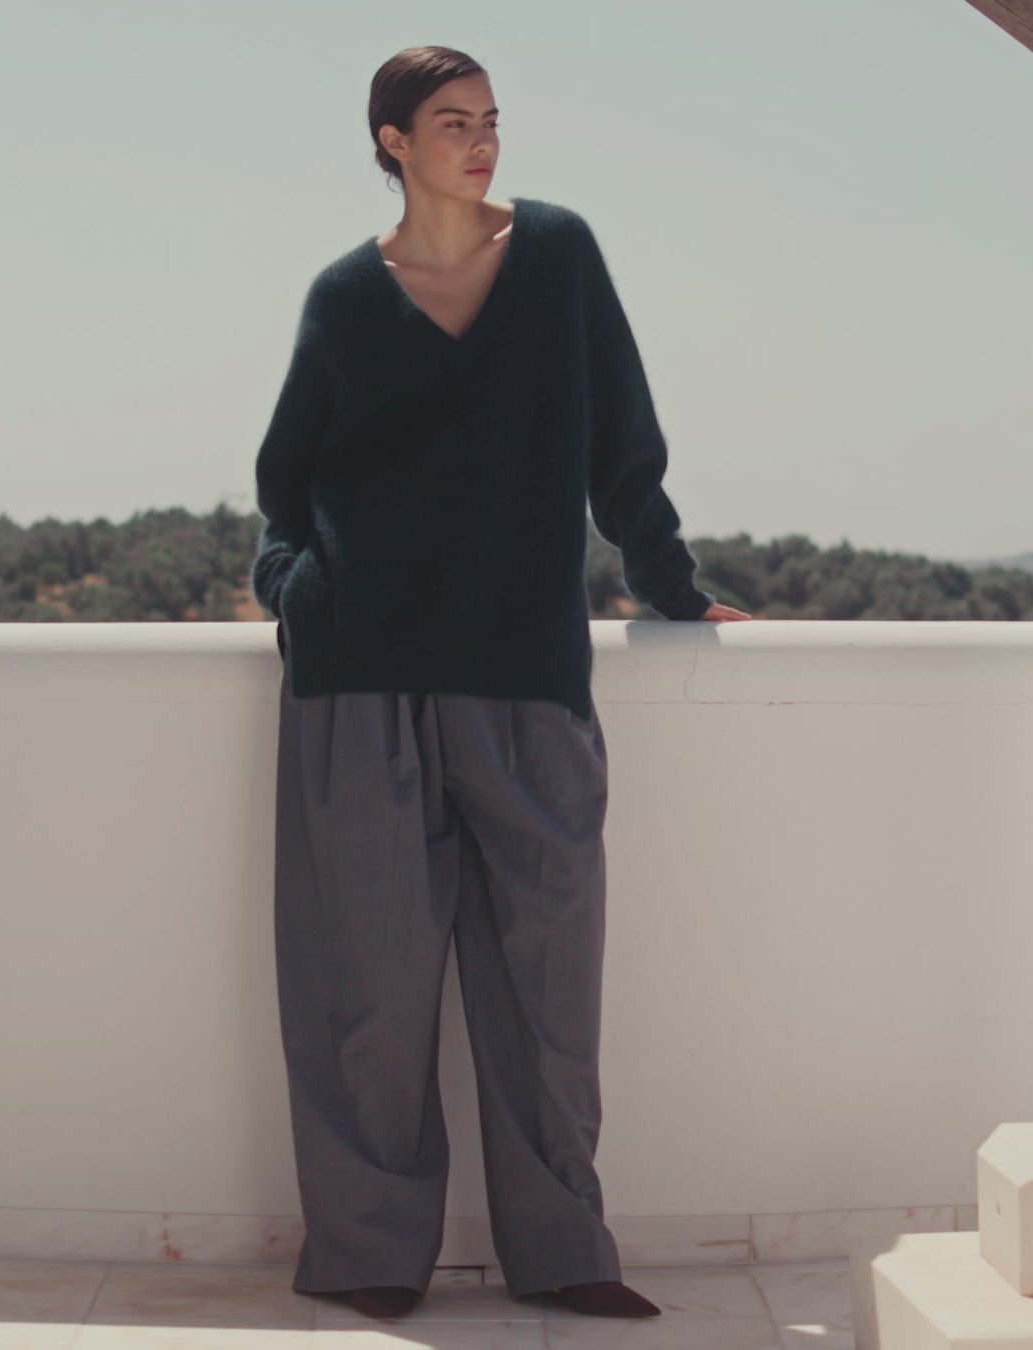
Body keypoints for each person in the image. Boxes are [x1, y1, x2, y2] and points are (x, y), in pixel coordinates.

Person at [249, 45, 752, 1325]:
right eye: (450, 123)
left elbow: (623, 445)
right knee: (365, 990)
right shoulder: (344, 298)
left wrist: (670, 584)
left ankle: (564, 1246)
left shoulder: (560, 255)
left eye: (489, 120)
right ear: (392, 141)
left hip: (525, 671)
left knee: (548, 979)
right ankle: (369, 1252)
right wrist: (293, 591)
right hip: (361, 677)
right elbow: (285, 479)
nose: (480, 142)